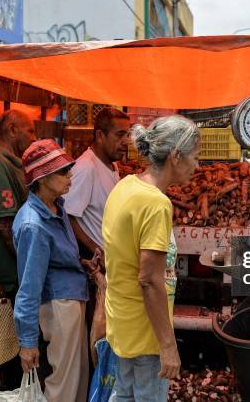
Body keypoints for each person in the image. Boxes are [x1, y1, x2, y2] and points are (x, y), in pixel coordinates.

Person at [104, 115, 201, 401]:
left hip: (124, 324)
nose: (197, 166)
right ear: (175, 156)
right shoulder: (156, 204)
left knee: (124, 396)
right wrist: (168, 345)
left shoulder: (125, 187)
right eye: (195, 157)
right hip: (146, 333)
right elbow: (148, 280)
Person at [14, 139, 93, 402]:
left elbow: (54, 260)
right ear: (42, 178)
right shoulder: (33, 224)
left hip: (71, 297)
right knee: (63, 384)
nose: (69, 177)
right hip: (59, 305)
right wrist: (27, 342)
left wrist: (80, 263)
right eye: (63, 172)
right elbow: (29, 285)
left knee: (78, 378)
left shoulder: (56, 208)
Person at [0, 110, 35, 390]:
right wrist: (30, 265)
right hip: (11, 276)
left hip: (18, 273)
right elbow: (6, 225)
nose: (33, 137)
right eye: (31, 130)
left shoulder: (11, 163)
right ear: (13, 129)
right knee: (14, 354)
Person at [64, 108, 130, 261]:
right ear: (100, 136)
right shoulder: (86, 168)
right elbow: (66, 215)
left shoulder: (112, 165)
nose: (126, 141)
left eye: (128, 135)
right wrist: (96, 250)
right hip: (97, 265)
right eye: (120, 135)